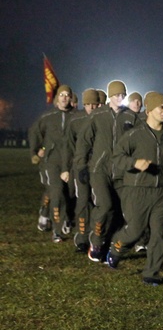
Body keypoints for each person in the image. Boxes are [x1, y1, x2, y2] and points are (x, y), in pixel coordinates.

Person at [106, 92, 163, 285]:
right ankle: (116, 247)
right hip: (137, 190)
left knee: (159, 234)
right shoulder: (134, 135)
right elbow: (116, 157)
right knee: (135, 230)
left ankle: (152, 272)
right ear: (149, 110)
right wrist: (134, 163)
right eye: (161, 107)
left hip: (162, 191)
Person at [76, 80, 139, 261]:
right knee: (105, 206)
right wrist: (81, 165)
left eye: (122, 95)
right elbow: (84, 141)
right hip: (99, 169)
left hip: (122, 171)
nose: (119, 98)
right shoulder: (98, 115)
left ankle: (111, 243)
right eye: (116, 95)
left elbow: (139, 142)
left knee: (122, 210)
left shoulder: (131, 117)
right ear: (110, 96)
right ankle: (96, 241)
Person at [28, 84, 77, 242]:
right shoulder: (48, 116)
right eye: (61, 95)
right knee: (56, 192)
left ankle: (64, 219)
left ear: (71, 98)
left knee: (70, 193)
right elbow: (34, 132)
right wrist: (37, 150)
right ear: (57, 98)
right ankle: (57, 229)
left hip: (70, 162)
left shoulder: (76, 116)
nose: (64, 97)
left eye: (67, 95)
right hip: (51, 161)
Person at [66, 88, 101, 252]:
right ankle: (81, 237)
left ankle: (97, 235)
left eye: (95, 104)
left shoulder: (103, 120)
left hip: (99, 167)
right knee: (82, 201)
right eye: (88, 104)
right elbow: (69, 147)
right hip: (81, 167)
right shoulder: (76, 121)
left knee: (99, 202)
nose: (92, 108)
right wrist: (69, 168)